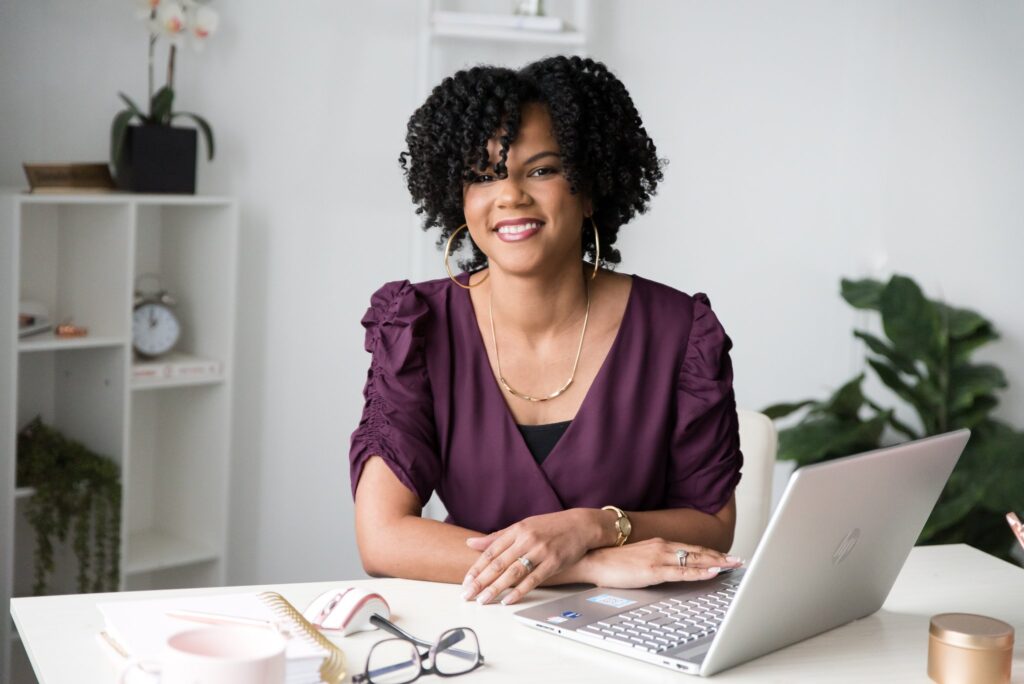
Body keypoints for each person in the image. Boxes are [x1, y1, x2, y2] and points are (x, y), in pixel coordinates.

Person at [350, 56, 744, 607]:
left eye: (541, 170)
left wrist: (592, 526)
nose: (510, 195)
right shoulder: (418, 328)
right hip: (478, 625)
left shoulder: (680, 331)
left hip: (635, 627)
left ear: (588, 189)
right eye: (484, 175)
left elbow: (711, 523)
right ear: (459, 198)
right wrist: (595, 566)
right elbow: (382, 537)